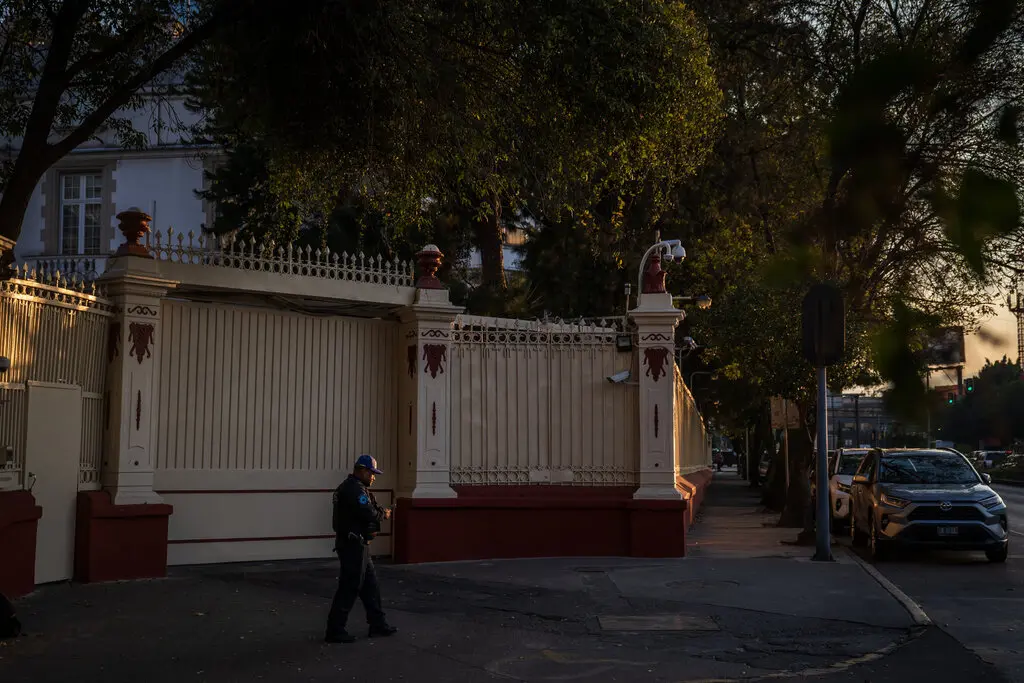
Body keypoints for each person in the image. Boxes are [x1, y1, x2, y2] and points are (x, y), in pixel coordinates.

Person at [324, 454, 397, 644]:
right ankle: (335, 629)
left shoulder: (355, 488)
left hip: (358, 545)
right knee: (349, 587)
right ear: (363, 471)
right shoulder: (354, 490)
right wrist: (384, 514)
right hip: (352, 545)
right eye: (372, 473)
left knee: (370, 586)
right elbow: (368, 512)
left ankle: (378, 624)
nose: (373, 477)